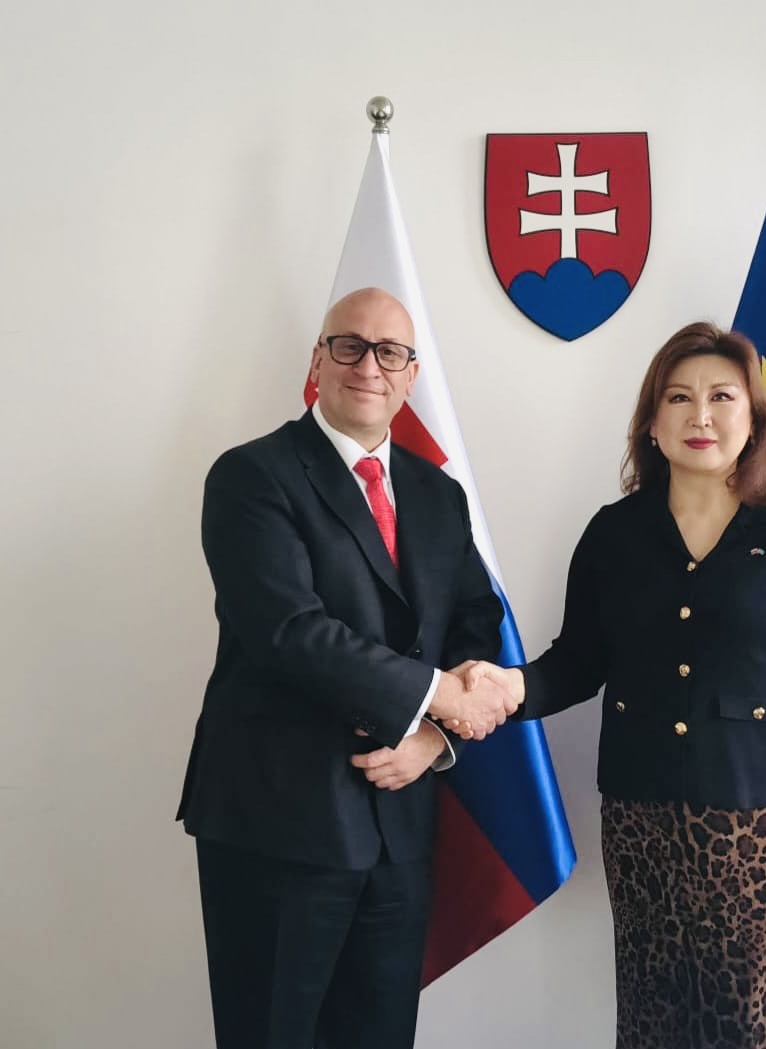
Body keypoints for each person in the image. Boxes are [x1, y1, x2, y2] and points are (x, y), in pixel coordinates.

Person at [460, 322, 766, 1049]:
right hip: (641, 825)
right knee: (654, 1020)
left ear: (754, 418)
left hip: (760, 831)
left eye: (721, 397)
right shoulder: (613, 534)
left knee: (755, 1024)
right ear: (652, 422)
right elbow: (578, 661)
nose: (699, 415)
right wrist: (509, 686)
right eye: (678, 398)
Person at [177, 287, 515, 1049]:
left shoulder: (438, 494)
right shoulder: (251, 476)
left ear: (410, 374)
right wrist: (440, 695)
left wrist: (436, 737)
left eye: (389, 352)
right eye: (349, 345)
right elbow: (289, 631)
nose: (369, 365)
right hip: (276, 822)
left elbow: (476, 620)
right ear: (317, 360)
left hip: (399, 826)